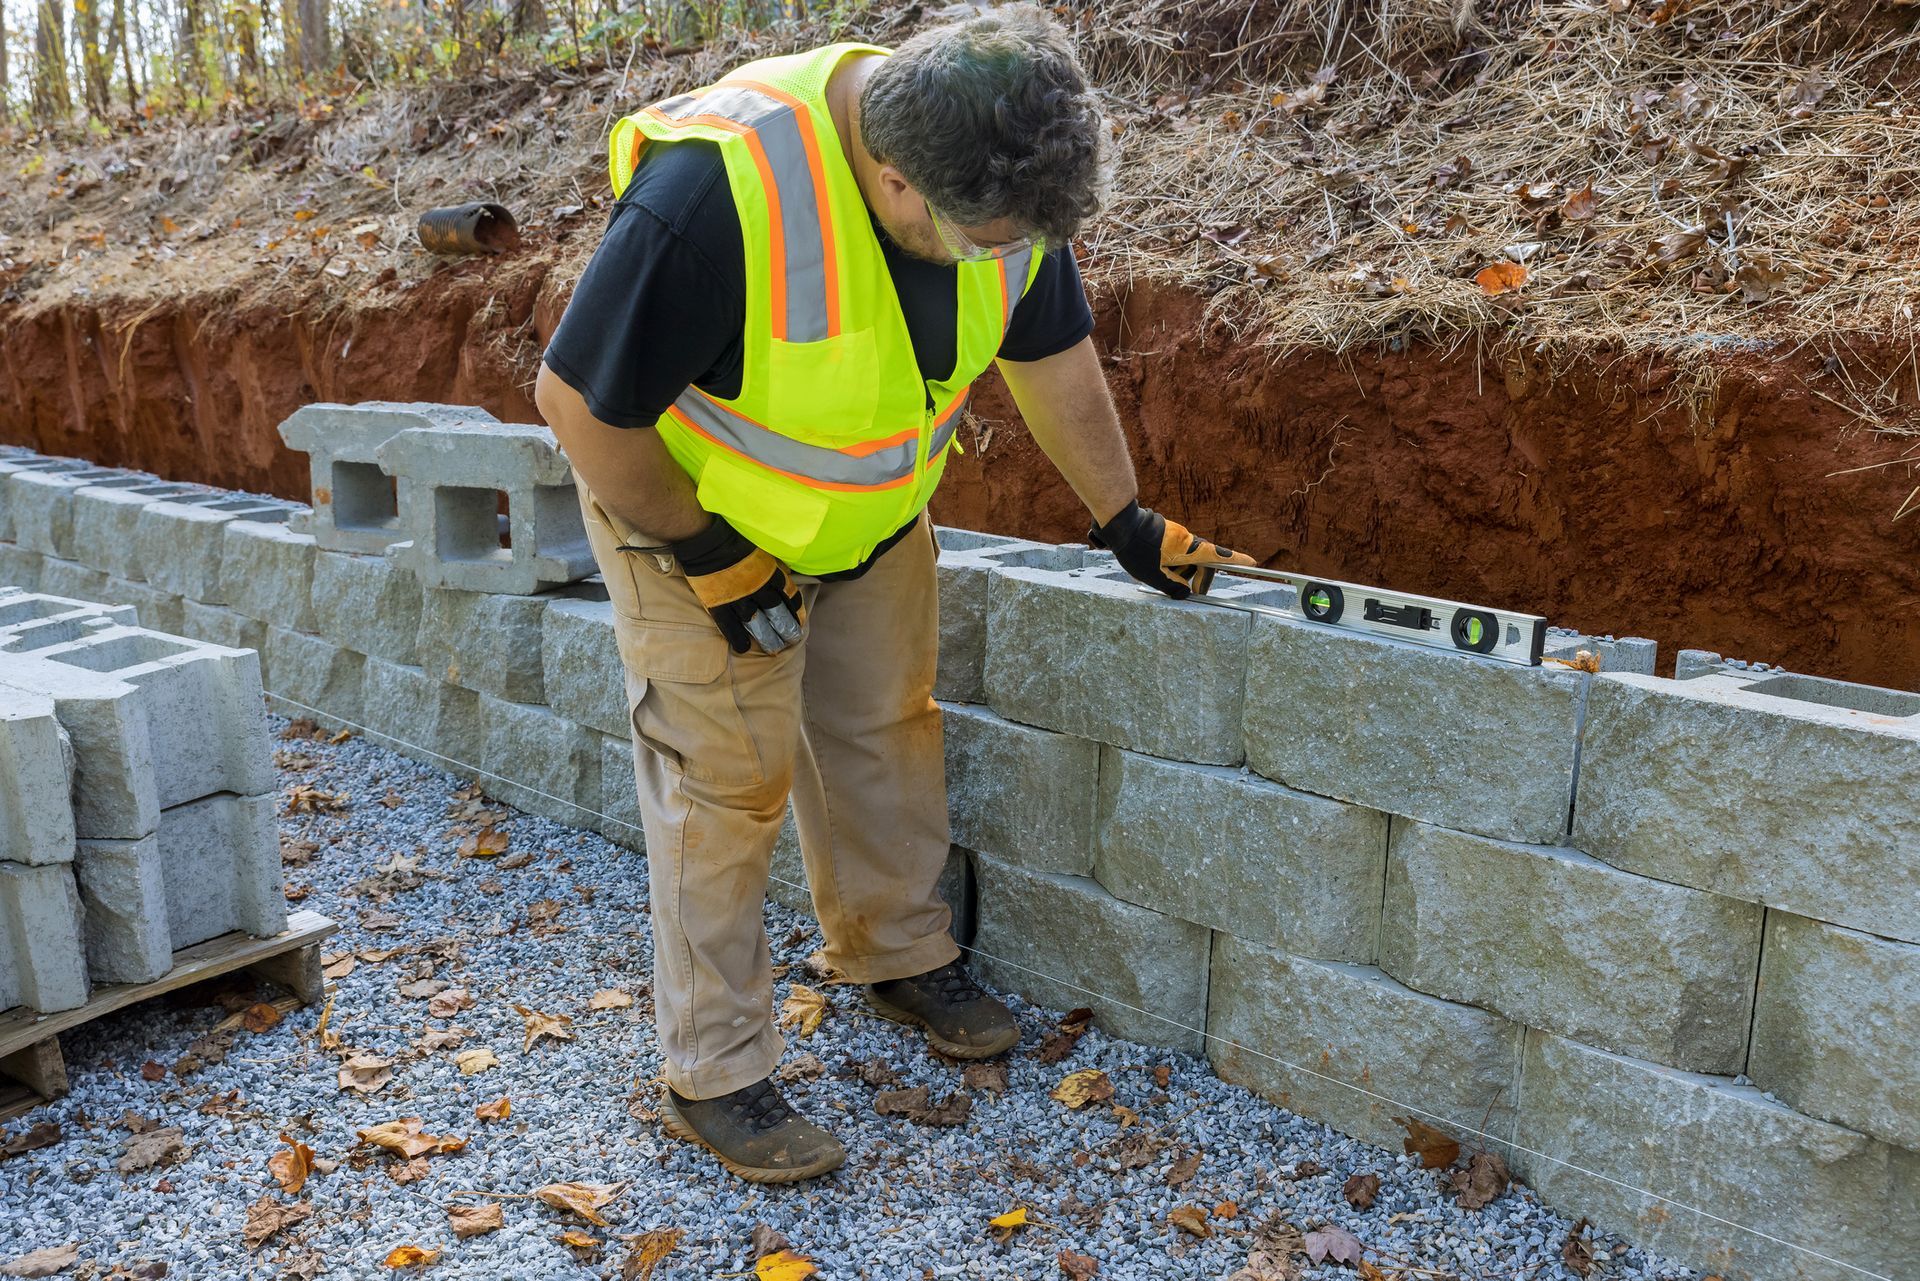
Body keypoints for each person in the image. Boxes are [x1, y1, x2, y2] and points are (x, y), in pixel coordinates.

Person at [533, 3, 1252, 1185]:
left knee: (882, 727)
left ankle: (893, 950)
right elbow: (579, 407)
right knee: (728, 787)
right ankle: (712, 1072)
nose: (998, 256)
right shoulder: (715, 196)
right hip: (689, 515)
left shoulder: (998, 177)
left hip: (866, 521)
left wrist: (1120, 515)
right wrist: (713, 557)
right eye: (980, 239)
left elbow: (1050, 349)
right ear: (892, 177)